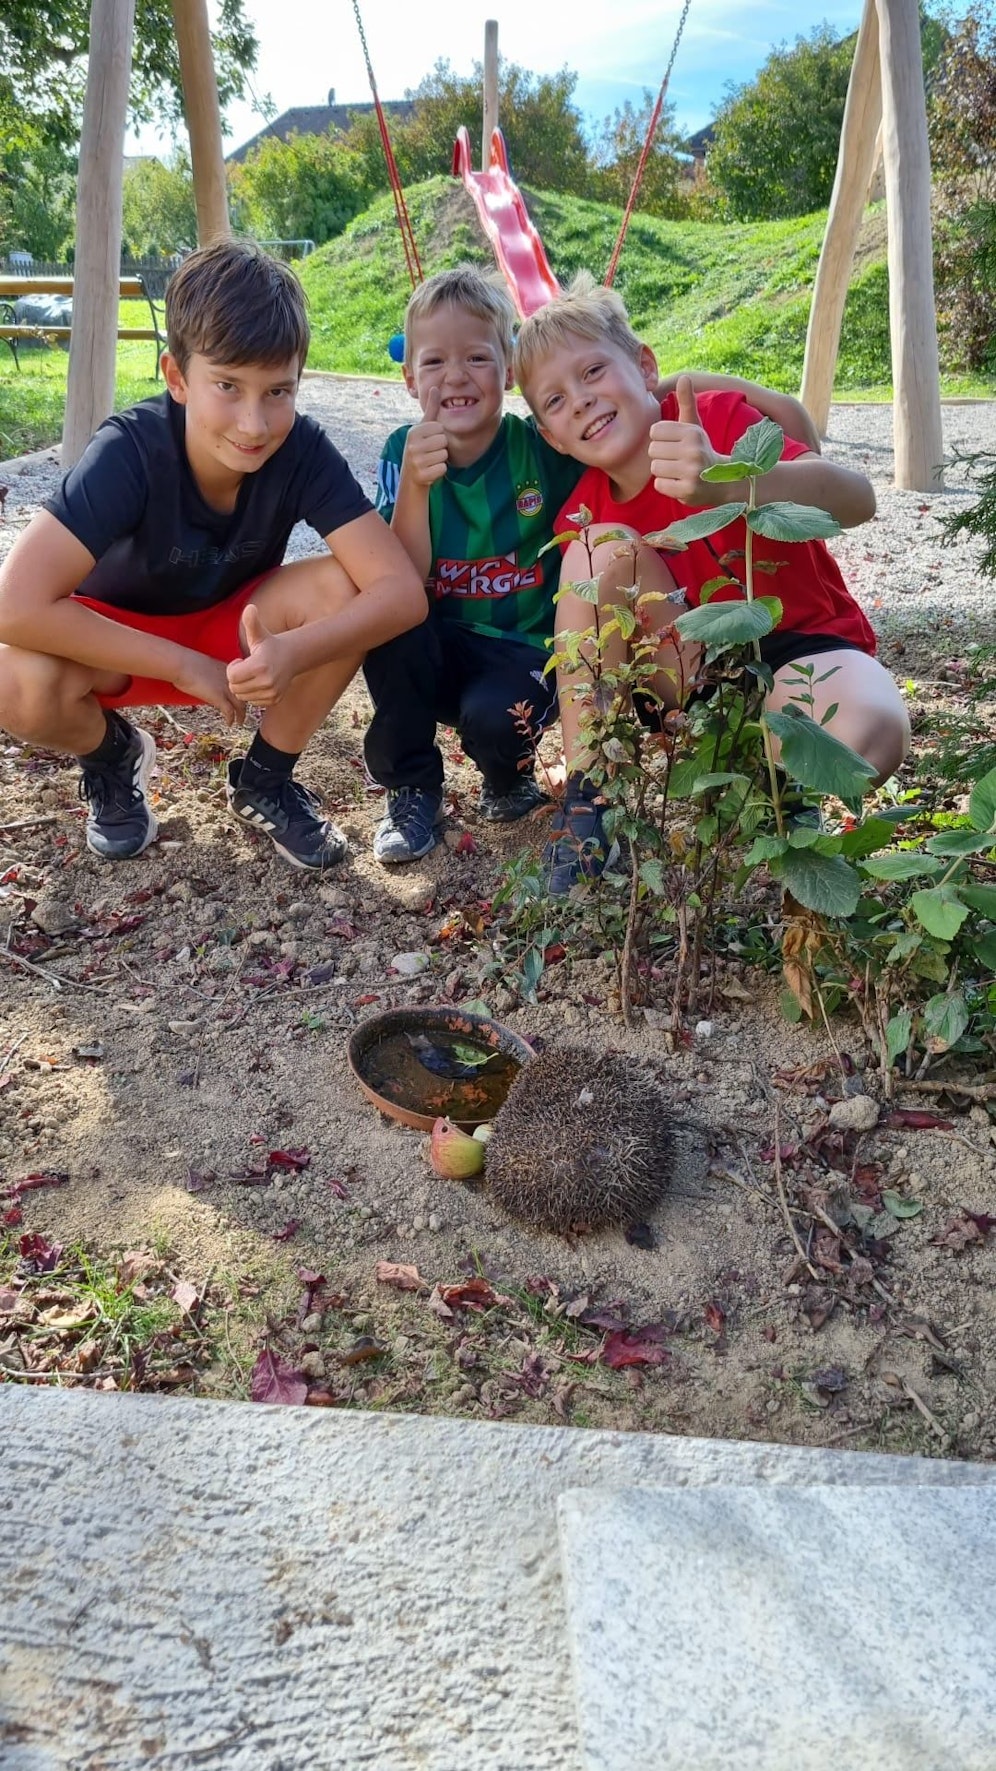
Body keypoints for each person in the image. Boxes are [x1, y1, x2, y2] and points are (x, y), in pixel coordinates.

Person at [365, 264, 823, 866]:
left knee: (500, 719)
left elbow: (614, 415)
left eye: (476, 358)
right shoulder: (404, 450)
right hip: (437, 638)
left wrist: (651, 378)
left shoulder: (542, 443)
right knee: (387, 625)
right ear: (407, 376)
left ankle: (511, 779)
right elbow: (398, 583)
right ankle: (412, 787)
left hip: (519, 650)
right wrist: (417, 492)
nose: (455, 376)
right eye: (433, 363)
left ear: (505, 371)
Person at [0, 239, 425, 871]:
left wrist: (293, 652)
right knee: (14, 678)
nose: (254, 423)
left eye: (278, 392)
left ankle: (265, 778)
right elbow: (14, 604)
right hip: (113, 640)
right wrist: (178, 664)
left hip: (236, 631)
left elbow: (400, 593)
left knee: (348, 587)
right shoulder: (131, 451)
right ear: (176, 376)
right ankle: (111, 755)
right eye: (227, 385)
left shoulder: (302, 450)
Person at [513, 273, 911, 891]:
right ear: (549, 436)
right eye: (556, 400)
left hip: (798, 645)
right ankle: (589, 811)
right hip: (693, 682)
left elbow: (856, 500)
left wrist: (729, 483)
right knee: (595, 549)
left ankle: (774, 791)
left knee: (871, 732)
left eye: (593, 372)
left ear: (645, 367)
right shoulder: (584, 513)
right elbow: (584, 659)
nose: (582, 400)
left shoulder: (720, 420)